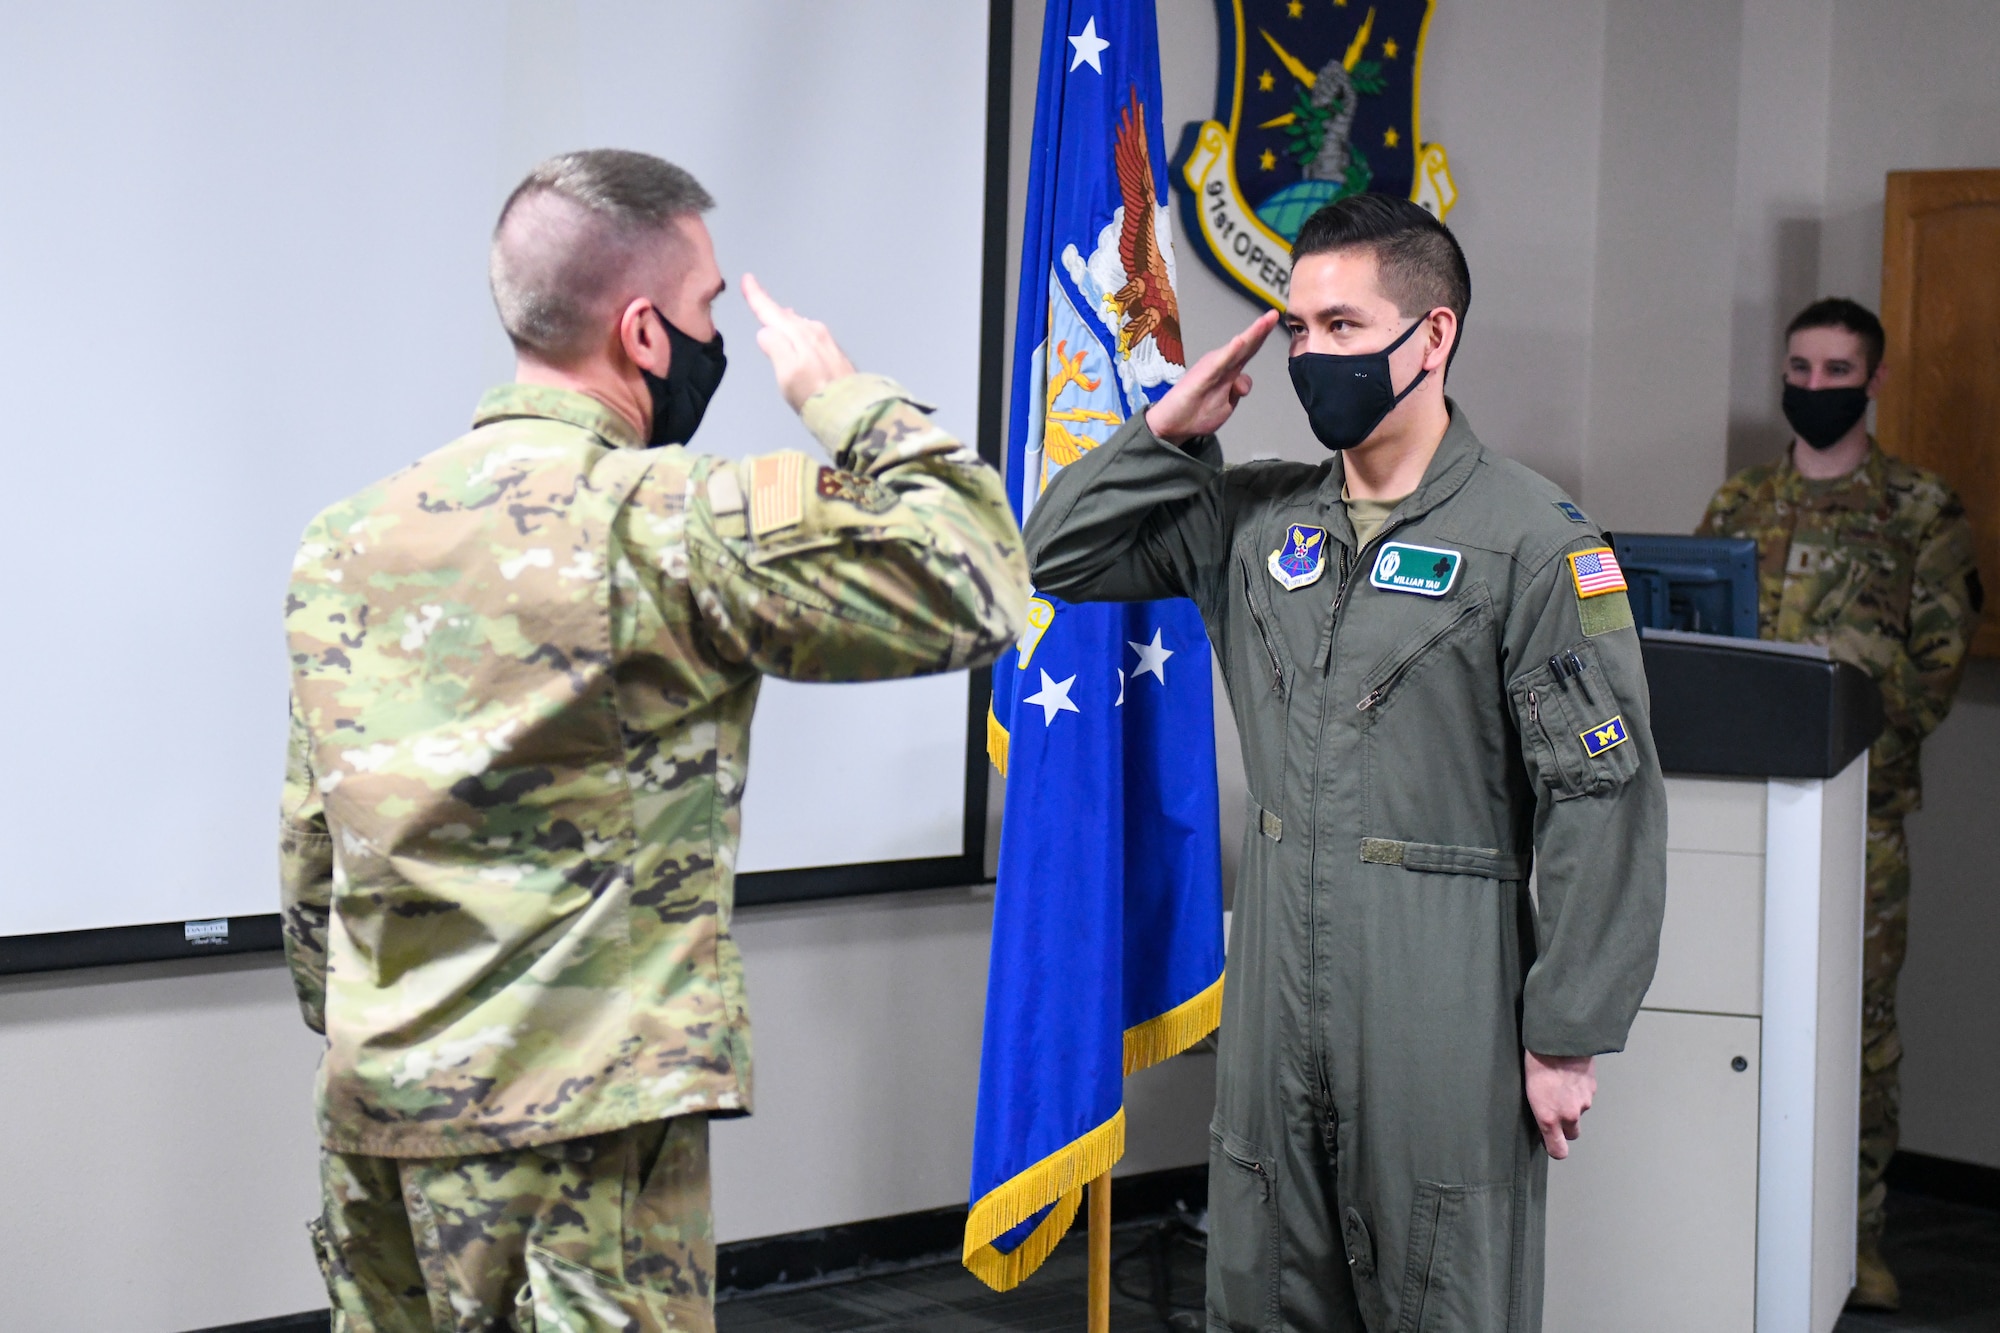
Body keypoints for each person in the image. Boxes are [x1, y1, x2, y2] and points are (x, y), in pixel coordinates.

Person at [278, 149, 1028, 1332]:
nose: (713, 333)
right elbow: (978, 587)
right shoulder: (672, 518)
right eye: (706, 309)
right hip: (582, 1137)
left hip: (377, 1119)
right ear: (640, 331)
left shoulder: (346, 537)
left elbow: (315, 845)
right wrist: (848, 399)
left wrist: (377, 1033)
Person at [1023, 194, 1667, 1332]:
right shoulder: (1256, 521)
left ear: (1431, 337)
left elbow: (1598, 796)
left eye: (1341, 325)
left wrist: (1565, 1028)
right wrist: (1166, 432)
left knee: (1440, 1279)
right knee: (1264, 1282)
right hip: (1276, 970)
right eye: (1299, 328)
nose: (1313, 354)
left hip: (1441, 980)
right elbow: (1056, 553)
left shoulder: (1531, 541)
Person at [1697, 296, 1981, 1313]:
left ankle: (1851, 1238)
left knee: (1855, 1033)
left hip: (1854, 817)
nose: (1812, 388)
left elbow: (1937, 663)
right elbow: (1694, 639)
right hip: (1730, 819)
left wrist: (1839, 703)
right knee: (1734, 1018)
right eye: (1798, 369)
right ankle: (1738, 1219)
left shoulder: (1916, 507)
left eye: (1833, 371)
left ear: (1872, 380)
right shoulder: (1737, 502)